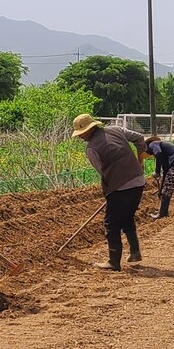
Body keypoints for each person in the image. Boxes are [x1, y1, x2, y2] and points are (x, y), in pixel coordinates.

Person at [72, 114, 146, 272]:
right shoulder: (116, 130)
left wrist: (111, 194)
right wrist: (140, 161)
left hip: (121, 186)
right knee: (126, 217)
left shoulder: (91, 148)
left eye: (81, 134)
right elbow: (139, 138)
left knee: (111, 224)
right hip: (139, 181)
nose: (80, 137)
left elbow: (103, 173)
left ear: (88, 130)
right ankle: (135, 252)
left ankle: (113, 262)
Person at [145, 136, 174, 219]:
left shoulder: (153, 144)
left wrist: (157, 171)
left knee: (167, 190)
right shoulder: (167, 153)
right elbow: (167, 173)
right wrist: (161, 189)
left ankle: (162, 213)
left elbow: (158, 153)